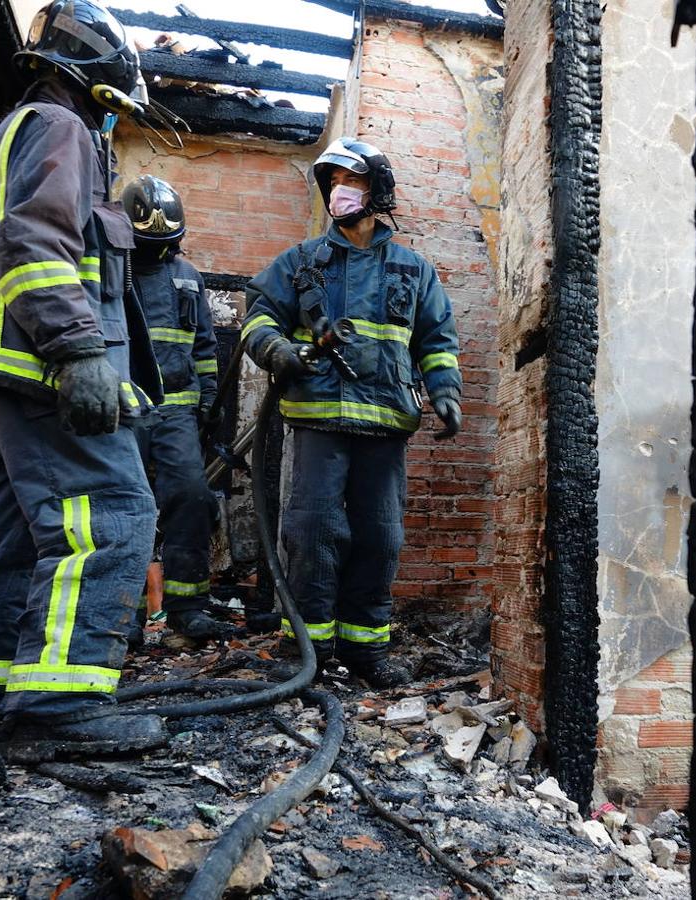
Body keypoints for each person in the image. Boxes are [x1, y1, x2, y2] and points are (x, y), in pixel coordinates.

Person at [0, 0, 166, 757]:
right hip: (42, 366)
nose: (115, 123)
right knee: (114, 515)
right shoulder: (62, 129)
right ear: (98, 79)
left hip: (3, 368)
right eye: (116, 109)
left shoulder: (16, 129)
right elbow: (33, 239)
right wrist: (76, 350)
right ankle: (59, 706)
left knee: (2, 535)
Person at [242, 138, 463, 688]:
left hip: (386, 424)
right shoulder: (298, 265)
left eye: (353, 181)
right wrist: (277, 351)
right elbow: (258, 318)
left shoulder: (414, 271)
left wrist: (446, 391)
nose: (341, 193)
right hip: (317, 419)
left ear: (378, 191)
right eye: (334, 182)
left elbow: (436, 340)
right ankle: (310, 653)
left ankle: (365, 651)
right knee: (312, 532)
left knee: (379, 538)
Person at [121, 174, 228, 641]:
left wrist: (209, 399)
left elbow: (204, 344)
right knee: (122, 506)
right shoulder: (114, 268)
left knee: (191, 498)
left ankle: (188, 607)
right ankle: (122, 616)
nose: (158, 250)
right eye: (149, 241)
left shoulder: (188, 277)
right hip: (123, 412)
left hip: (177, 414)